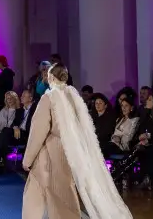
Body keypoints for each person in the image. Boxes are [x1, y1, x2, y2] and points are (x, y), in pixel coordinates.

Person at [21, 63, 132, 219]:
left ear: (51, 77)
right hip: (70, 151)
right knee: (65, 191)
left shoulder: (49, 97)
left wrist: (28, 159)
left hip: (49, 151)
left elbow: (38, 131)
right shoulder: (74, 96)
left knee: (36, 190)